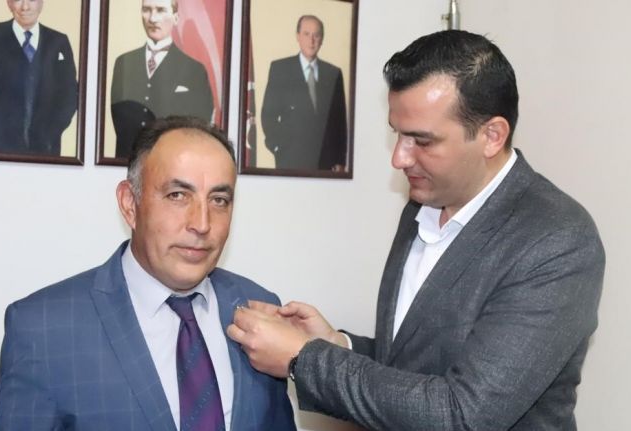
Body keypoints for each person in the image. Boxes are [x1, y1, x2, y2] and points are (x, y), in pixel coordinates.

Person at [228, 30, 605, 430]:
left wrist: (304, 358)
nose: (399, 158)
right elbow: (415, 363)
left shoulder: (557, 241)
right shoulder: (422, 204)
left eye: (421, 140)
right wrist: (337, 344)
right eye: (397, 133)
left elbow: (463, 414)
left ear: (492, 136)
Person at [0, 116, 296, 431]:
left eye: (219, 200)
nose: (202, 224)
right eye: (178, 195)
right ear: (129, 203)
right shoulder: (42, 328)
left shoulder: (260, 309)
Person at [0, 0, 77, 155]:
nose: (25, 7)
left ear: (41, 3)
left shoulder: (59, 41)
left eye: (32, 0)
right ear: (9, 3)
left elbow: (69, 94)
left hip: (43, 151)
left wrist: (49, 133)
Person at [111, 0, 214, 159]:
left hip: (173, 161)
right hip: (127, 161)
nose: (152, 18)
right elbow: (118, 117)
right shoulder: (123, 62)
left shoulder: (195, 69)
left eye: (160, 10)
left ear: (175, 17)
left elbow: (199, 126)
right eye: (146, 10)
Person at [261, 15, 347, 171]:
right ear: (298, 36)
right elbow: (268, 114)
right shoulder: (280, 69)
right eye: (307, 34)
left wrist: (340, 160)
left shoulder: (333, 73)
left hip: (325, 164)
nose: (311, 40)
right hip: (290, 159)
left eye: (316, 35)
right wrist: (277, 147)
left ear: (322, 39)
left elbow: (340, 122)